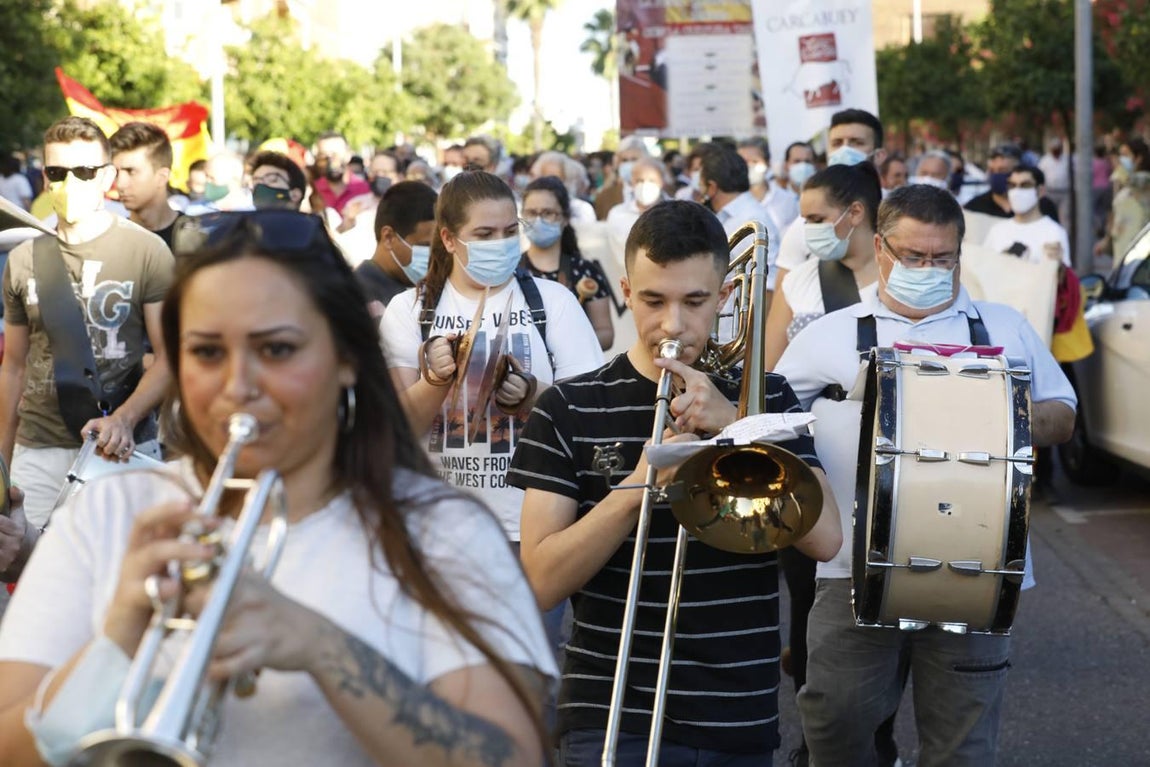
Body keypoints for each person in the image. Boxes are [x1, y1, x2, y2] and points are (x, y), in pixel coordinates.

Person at [0, 209, 556, 766]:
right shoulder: (108, 512)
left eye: (277, 350)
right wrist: (116, 642)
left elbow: (512, 757)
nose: (237, 386)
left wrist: (319, 645)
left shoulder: (442, 530)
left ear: (344, 358)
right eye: (207, 352)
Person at [508, 199, 843, 767]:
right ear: (624, 289)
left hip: (738, 715)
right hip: (610, 715)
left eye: (695, 302)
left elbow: (825, 539)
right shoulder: (568, 406)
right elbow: (539, 582)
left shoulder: (769, 401)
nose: (672, 325)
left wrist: (739, 428)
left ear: (726, 298)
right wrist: (643, 482)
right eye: (652, 300)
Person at [774, 184, 1077, 767]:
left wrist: (997, 409)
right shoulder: (830, 334)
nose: (929, 269)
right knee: (833, 723)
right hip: (851, 570)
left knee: (964, 743)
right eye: (914, 257)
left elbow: (1062, 416)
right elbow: (774, 422)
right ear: (881, 249)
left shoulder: (1005, 327)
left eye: (943, 258)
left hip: (979, 570)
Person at [380, 170, 603, 547]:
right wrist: (435, 379)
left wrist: (534, 396)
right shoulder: (409, 310)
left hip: (533, 529)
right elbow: (397, 429)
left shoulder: (554, 302)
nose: (500, 244)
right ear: (449, 239)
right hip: (437, 532)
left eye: (509, 232)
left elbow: (591, 417)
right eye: (484, 235)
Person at [0, 116, 173, 531]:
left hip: (122, 448)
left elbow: (172, 358)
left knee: (124, 579)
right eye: (58, 173)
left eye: (83, 172)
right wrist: (3, 462)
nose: (68, 184)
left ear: (106, 177)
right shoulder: (23, 259)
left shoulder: (146, 252)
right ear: (44, 178)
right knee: (34, 577)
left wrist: (125, 419)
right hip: (38, 448)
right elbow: (14, 366)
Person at [519, 176, 614, 351]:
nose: (538, 220)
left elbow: (606, 334)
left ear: (565, 218)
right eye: (531, 213)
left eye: (548, 213)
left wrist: (571, 345)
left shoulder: (586, 272)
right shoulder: (512, 270)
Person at [354, 180, 438, 316]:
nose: (433, 256)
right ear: (388, 237)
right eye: (425, 246)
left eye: (437, 247)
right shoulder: (358, 297)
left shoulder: (426, 291)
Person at [109, 122, 182, 248]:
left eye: (131, 171)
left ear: (162, 177)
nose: (120, 184)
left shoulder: (198, 240)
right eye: (115, 173)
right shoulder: (110, 243)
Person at [984, 165, 1071, 267]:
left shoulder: (1054, 232)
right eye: (1012, 185)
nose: (1017, 191)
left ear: (1041, 191)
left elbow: (1063, 279)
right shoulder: (997, 231)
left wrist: (1060, 267)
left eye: (1025, 185)